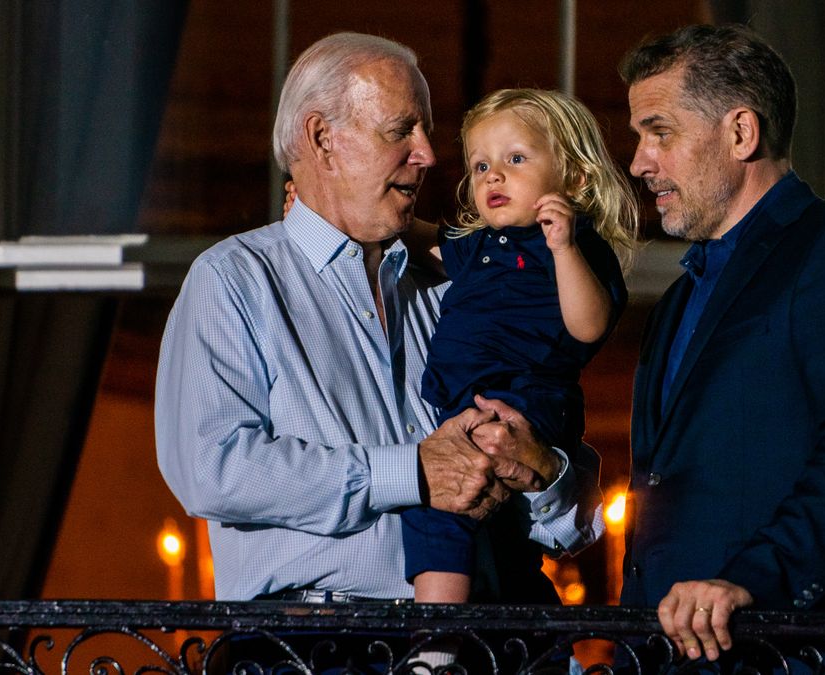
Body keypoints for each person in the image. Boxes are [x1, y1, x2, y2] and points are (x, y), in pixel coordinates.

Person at [155, 32, 603, 614]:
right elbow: (213, 469)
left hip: (490, 639)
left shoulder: (453, 288)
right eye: (401, 131)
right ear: (322, 138)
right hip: (314, 646)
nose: (428, 155)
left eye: (426, 133)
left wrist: (544, 472)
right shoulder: (235, 281)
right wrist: (410, 472)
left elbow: (569, 520)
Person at [617, 24, 825, 668]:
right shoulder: (677, 300)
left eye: (659, 131)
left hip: (804, 654)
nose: (640, 162)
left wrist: (753, 581)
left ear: (740, 132)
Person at [401, 88, 638, 605]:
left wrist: (564, 247)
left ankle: (436, 644)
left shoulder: (575, 246)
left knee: (449, 499)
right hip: (467, 405)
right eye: (481, 166)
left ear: (573, 177)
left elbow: (589, 325)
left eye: (515, 159)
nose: (494, 177)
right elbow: (414, 235)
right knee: (439, 497)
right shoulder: (480, 245)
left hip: (529, 396)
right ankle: (439, 636)